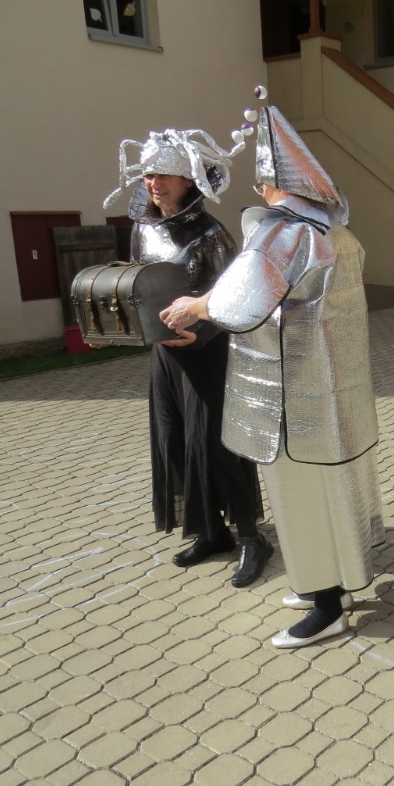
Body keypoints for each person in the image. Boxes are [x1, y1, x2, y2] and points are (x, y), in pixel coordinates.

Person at [160, 104, 384, 649]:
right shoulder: (333, 229)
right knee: (331, 492)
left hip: (292, 398)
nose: (257, 189)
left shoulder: (284, 231)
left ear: (272, 180)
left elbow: (241, 301)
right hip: (329, 392)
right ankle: (333, 585)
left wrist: (195, 306)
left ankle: (326, 607)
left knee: (302, 497)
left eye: (260, 179)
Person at [102, 129, 270, 588]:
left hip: (210, 354)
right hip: (165, 356)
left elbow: (236, 298)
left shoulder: (211, 233)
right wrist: (135, 329)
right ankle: (212, 532)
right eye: (149, 174)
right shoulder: (142, 229)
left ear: (189, 179)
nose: (154, 183)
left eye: (165, 175)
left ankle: (251, 537)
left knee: (218, 444)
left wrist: (199, 332)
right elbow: (139, 287)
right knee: (175, 439)